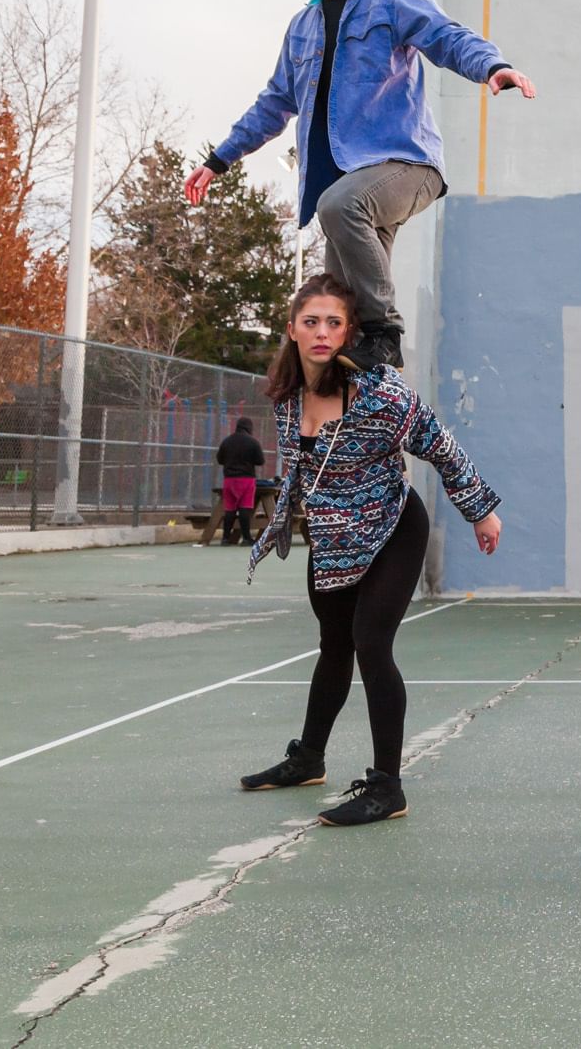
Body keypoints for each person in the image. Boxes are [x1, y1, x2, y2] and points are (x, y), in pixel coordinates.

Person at [185, 0, 536, 373]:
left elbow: (445, 36)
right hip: (351, 181)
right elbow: (275, 102)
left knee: (339, 209)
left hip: (406, 165)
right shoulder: (302, 27)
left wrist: (491, 66)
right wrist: (218, 159)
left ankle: (386, 332)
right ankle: (370, 398)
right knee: (339, 309)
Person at [238, 273, 504, 827]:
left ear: (349, 332)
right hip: (333, 540)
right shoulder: (287, 400)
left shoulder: (378, 393)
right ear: (292, 330)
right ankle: (309, 759)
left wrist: (480, 510)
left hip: (392, 529)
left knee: (370, 643)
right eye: (311, 321)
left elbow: (441, 446)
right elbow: (304, 473)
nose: (322, 332)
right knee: (333, 644)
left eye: (334, 323)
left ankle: (387, 788)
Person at [214, 417, 265, 546]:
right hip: (246, 479)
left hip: (229, 479)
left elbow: (220, 459)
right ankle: (246, 538)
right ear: (249, 428)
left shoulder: (227, 441)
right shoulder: (253, 442)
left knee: (229, 509)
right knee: (244, 508)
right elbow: (260, 461)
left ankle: (225, 538)